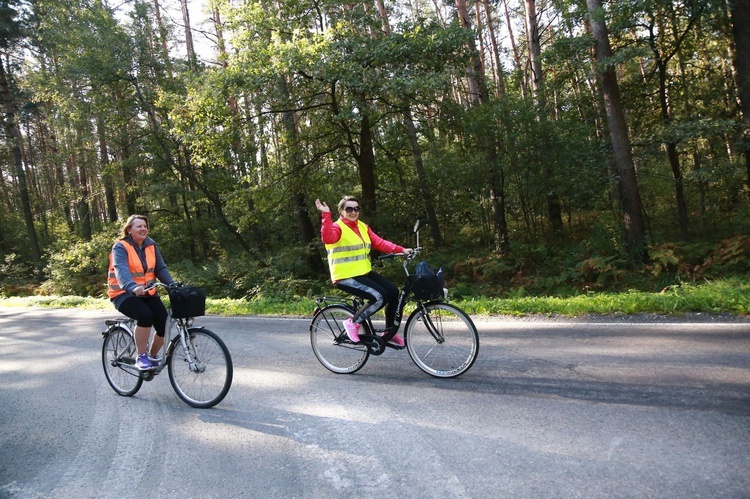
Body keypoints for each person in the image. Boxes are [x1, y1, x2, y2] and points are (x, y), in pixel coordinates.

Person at [315, 196, 413, 346]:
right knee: (379, 297)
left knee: (393, 292)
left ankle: (389, 332)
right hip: (344, 276)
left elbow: (380, 243)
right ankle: (353, 323)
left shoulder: (362, 227)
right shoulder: (337, 227)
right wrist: (326, 215)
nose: (353, 212)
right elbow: (327, 238)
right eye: (349, 209)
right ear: (341, 211)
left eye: (356, 208)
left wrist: (401, 250)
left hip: (363, 273)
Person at [107, 215, 176, 370]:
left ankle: (151, 356)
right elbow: (121, 269)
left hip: (147, 293)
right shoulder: (120, 246)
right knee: (145, 315)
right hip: (123, 294)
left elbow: (160, 268)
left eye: (145, 226)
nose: (143, 229)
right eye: (139, 226)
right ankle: (141, 356)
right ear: (129, 230)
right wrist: (131, 286)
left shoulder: (151, 245)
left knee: (164, 323)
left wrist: (171, 284)